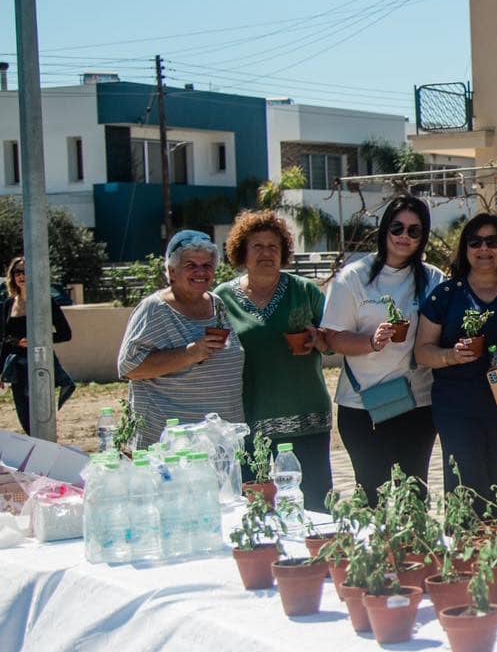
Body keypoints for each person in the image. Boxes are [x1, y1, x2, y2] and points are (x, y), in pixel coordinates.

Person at [322, 196, 445, 505]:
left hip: (417, 404)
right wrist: (371, 343)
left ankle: (414, 554)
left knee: (413, 497)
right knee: (372, 497)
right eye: (397, 227)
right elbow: (334, 337)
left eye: (414, 231)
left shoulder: (433, 278)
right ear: (384, 230)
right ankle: (377, 554)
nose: (405, 236)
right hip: (363, 406)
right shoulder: (353, 276)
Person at [416, 212, 497, 506]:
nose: (484, 249)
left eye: (492, 242)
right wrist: (450, 356)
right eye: (475, 242)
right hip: (457, 408)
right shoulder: (444, 295)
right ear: (465, 248)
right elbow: (422, 351)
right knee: (464, 490)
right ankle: (464, 551)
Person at [217, 212, 335, 512]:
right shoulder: (222, 299)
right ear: (242, 252)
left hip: (306, 416)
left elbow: (333, 340)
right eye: (257, 246)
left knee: (316, 506)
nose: (266, 253)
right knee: (253, 509)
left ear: (283, 253)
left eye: (273, 246)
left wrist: (318, 339)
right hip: (246, 421)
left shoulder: (305, 291)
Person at [117, 230, 245, 449]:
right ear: (172, 271)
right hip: (173, 446)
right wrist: (190, 354)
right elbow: (129, 367)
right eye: (191, 265)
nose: (200, 272)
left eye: (207, 265)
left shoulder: (217, 304)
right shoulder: (155, 309)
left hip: (220, 441)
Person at [1, 257, 75, 433]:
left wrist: (38, 340)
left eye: (25, 271)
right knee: (25, 419)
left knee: (42, 419)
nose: (21, 276)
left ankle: (47, 454)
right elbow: (4, 339)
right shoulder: (9, 303)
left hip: (42, 364)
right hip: (17, 369)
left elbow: (66, 334)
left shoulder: (45, 301)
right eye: (17, 272)